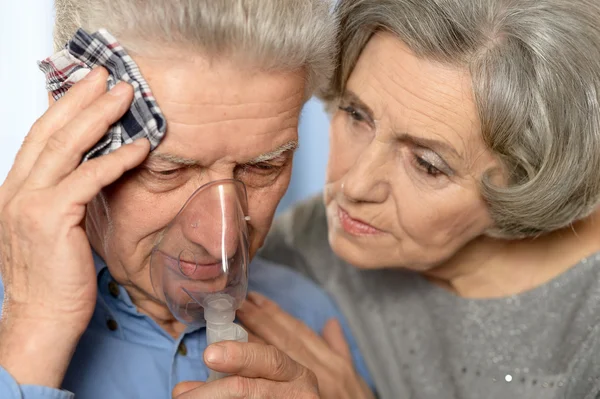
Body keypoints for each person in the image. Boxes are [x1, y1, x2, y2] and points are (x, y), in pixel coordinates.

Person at [0, 1, 374, 398]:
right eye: (167, 171)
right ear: (73, 137)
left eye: (263, 168)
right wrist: (34, 327)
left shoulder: (312, 323)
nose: (223, 242)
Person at [247, 0, 600, 398]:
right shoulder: (299, 245)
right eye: (357, 116)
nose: (355, 186)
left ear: (526, 184)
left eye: (428, 165)